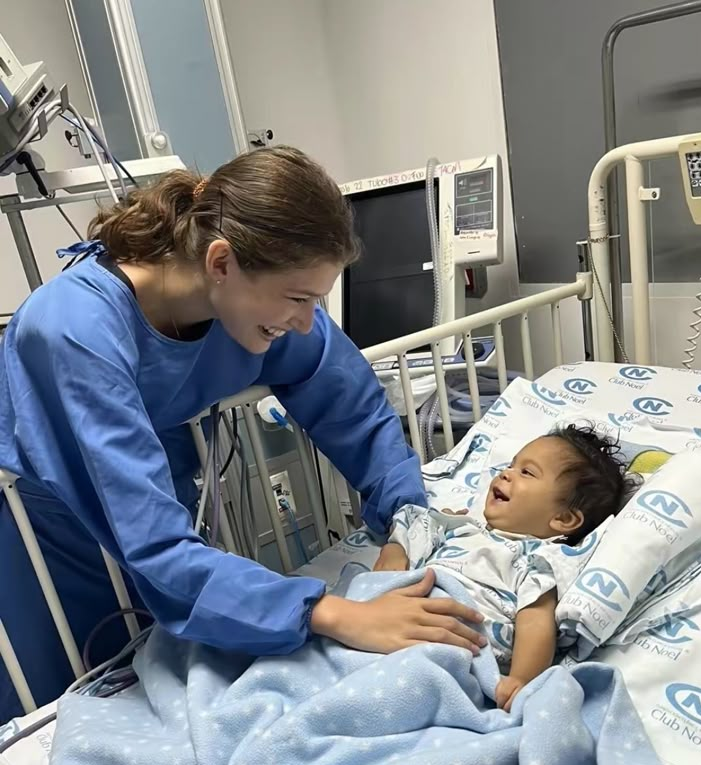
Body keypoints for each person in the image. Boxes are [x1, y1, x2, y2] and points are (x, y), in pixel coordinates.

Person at [0, 146, 486, 719]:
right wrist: (333, 613)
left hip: (158, 517)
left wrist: (405, 519)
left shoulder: (244, 306)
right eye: (299, 299)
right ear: (222, 262)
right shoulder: (74, 329)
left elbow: (352, 406)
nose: (307, 322)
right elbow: (157, 550)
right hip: (51, 538)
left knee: (162, 685)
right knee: (59, 704)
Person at [375, 425, 636, 711]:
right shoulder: (462, 529)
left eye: (527, 472)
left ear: (563, 518)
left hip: (452, 642)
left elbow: (536, 620)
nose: (506, 473)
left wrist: (522, 679)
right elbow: (410, 534)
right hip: (391, 622)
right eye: (511, 464)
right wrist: (399, 548)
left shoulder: (536, 559)